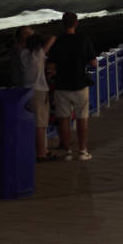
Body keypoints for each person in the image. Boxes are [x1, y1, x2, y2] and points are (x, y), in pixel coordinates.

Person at [47, 12, 95, 160]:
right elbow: (93, 63)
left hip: (62, 85)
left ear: (63, 23)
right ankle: (82, 151)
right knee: (82, 118)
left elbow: (51, 65)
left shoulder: (58, 41)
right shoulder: (84, 39)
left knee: (64, 119)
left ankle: (67, 151)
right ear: (76, 23)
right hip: (80, 84)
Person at [15, 26, 56, 161]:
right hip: (38, 90)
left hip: (29, 90)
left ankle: (43, 150)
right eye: (29, 31)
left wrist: (31, 37)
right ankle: (40, 154)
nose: (32, 32)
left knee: (40, 123)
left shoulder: (22, 52)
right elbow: (52, 38)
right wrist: (36, 34)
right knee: (40, 124)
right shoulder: (36, 52)